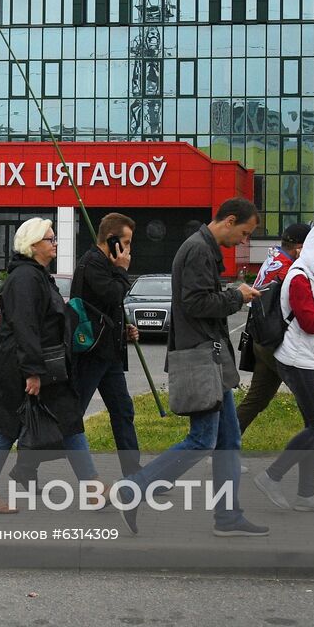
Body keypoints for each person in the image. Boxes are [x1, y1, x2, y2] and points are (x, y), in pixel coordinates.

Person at [118, 198, 266, 537]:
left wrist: (232, 294)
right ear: (229, 221)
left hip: (208, 357)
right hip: (201, 359)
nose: (243, 241)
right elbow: (197, 303)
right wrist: (236, 297)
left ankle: (228, 517)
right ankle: (133, 489)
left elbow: (196, 299)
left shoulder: (201, 248)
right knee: (202, 440)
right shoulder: (199, 250)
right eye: (244, 233)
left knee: (229, 441)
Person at [0, 218, 101, 513]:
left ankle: (94, 488)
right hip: (25, 369)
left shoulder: (38, 275)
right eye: (50, 239)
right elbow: (25, 327)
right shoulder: (24, 279)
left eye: (54, 238)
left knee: (69, 422)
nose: (54, 243)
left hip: (46, 367)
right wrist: (32, 371)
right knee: (7, 429)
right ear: (33, 246)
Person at [239, 223, 314, 481]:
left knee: (257, 399)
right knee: (312, 404)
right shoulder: (293, 272)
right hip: (279, 342)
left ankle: (222, 449)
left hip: (264, 340)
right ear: (300, 249)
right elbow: (306, 317)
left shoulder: (274, 259)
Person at [70, 212, 142, 477]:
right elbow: (112, 294)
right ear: (113, 241)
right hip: (91, 353)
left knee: (123, 410)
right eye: (127, 241)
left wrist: (122, 332)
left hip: (108, 353)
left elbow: (105, 309)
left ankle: (134, 474)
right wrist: (123, 271)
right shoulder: (92, 264)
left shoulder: (105, 264)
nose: (129, 249)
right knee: (73, 415)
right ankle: (27, 464)